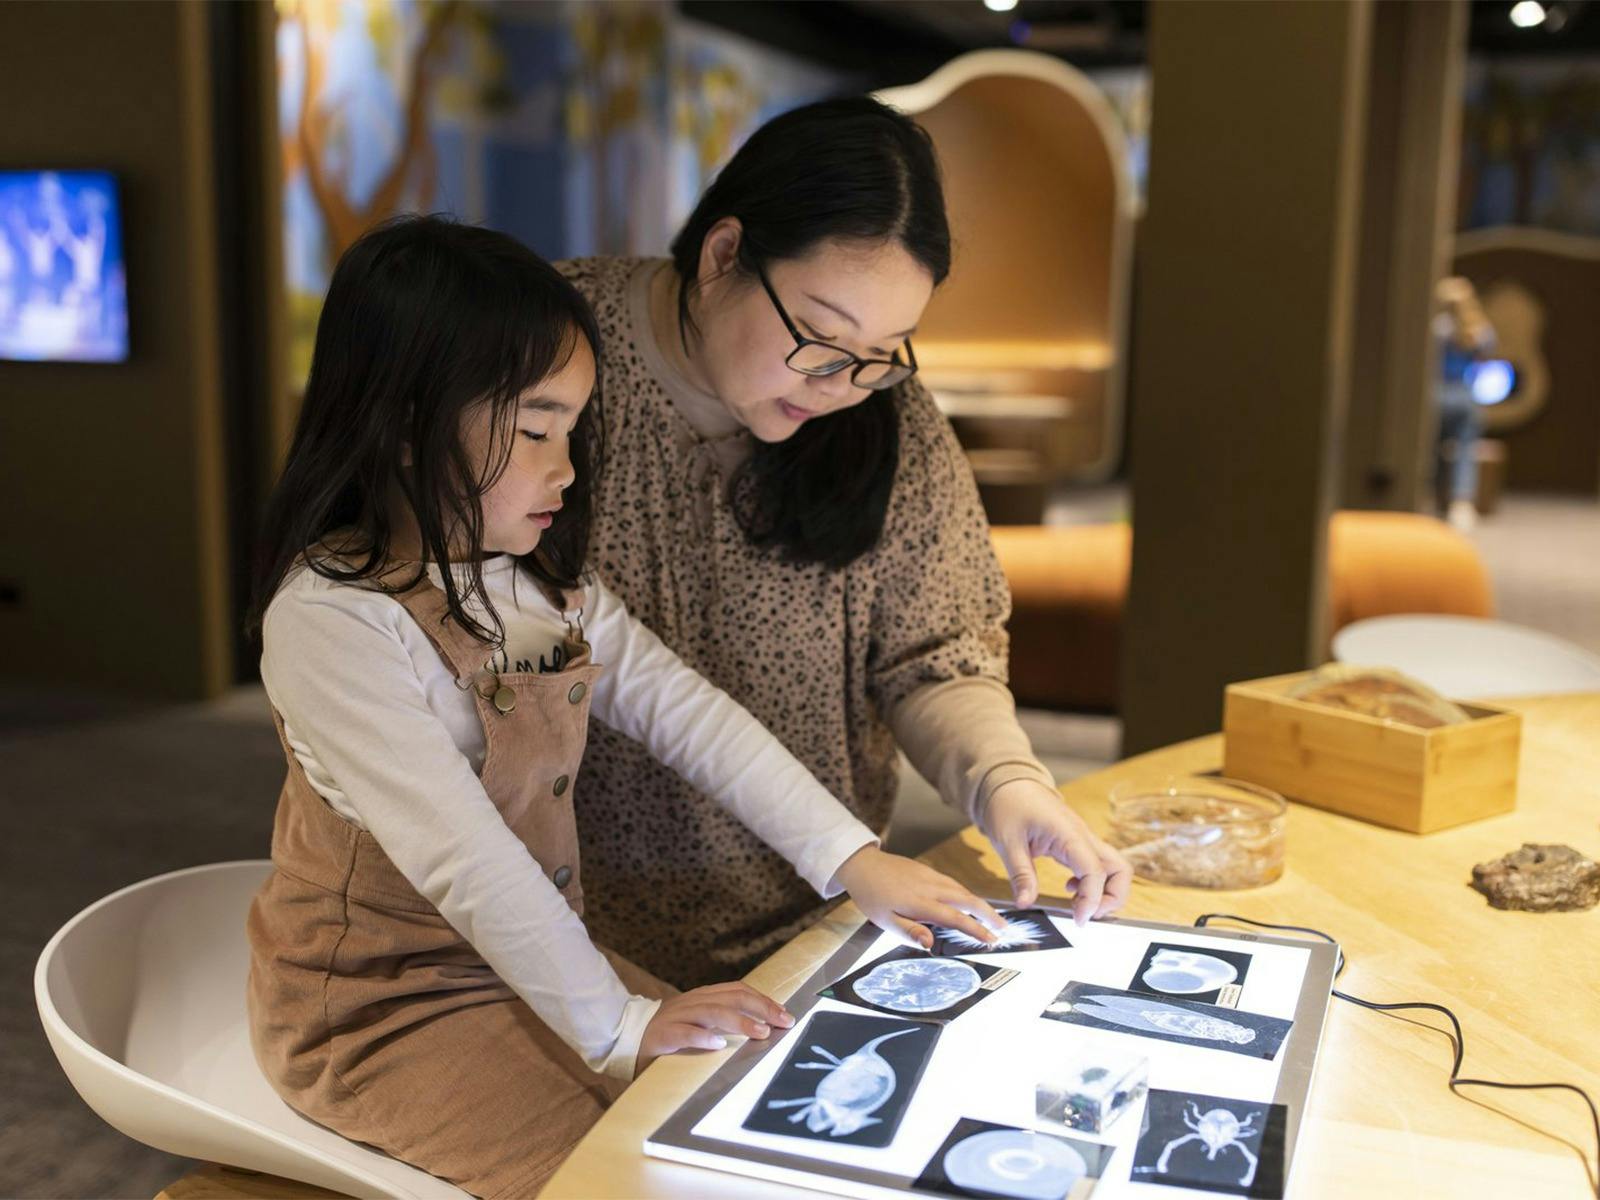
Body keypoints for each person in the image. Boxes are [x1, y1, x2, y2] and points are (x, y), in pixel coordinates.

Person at [244, 215, 1005, 1198]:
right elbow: (461, 854)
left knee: (744, 1105)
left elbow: (695, 721)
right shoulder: (334, 623)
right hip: (380, 1008)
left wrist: (852, 859)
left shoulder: (530, 587)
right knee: (632, 1176)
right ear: (402, 424)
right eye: (534, 429)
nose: (565, 466)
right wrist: (617, 1027)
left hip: (526, 967)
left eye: (573, 428)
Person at [558, 96, 1134, 992]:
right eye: (821, 340)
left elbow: (934, 654)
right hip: (564, 940)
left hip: (820, 920)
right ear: (722, 255)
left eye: (885, 351)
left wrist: (1008, 782)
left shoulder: (885, 415)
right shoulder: (548, 361)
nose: (843, 385)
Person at [1433, 276, 1496, 532]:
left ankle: (1429, 498)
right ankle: (1461, 504)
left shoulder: (1436, 327)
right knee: (1465, 451)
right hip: (1464, 396)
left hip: (1435, 394)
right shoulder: (1480, 330)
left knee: (1431, 450)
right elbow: (1487, 358)